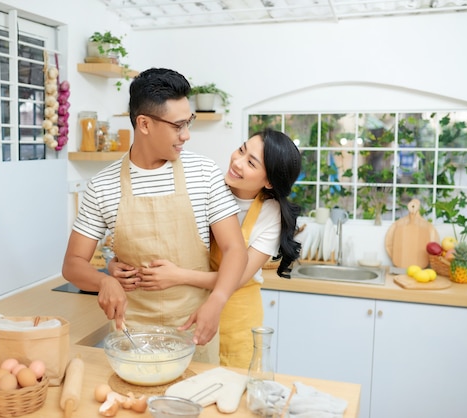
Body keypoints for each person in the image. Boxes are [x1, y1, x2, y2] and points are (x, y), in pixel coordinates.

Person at [61, 68, 247, 364]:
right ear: (144, 124)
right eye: (178, 126)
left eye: (189, 123)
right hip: (133, 335)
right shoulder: (102, 185)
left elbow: (235, 249)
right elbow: (72, 264)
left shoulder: (204, 172)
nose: (186, 135)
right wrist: (104, 281)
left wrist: (218, 300)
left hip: (194, 328)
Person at [109, 128, 302, 368]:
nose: (237, 162)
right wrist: (115, 265)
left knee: (232, 387)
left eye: (251, 163)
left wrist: (178, 276)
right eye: (241, 150)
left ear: (270, 181)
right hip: (190, 305)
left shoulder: (270, 214)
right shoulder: (205, 186)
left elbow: (237, 278)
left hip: (237, 312)